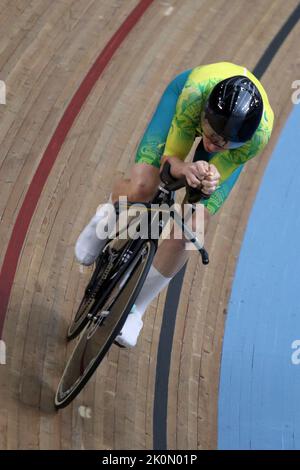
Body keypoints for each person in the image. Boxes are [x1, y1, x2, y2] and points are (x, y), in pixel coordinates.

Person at [75, 62, 274, 348]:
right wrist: (183, 168)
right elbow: (172, 162)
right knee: (145, 187)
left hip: (224, 134)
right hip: (184, 106)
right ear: (206, 113)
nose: (215, 144)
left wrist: (206, 180)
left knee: (191, 230)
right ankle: (102, 224)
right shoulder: (194, 95)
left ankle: (136, 310)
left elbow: (206, 185)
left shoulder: (255, 139)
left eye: (226, 143)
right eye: (212, 134)